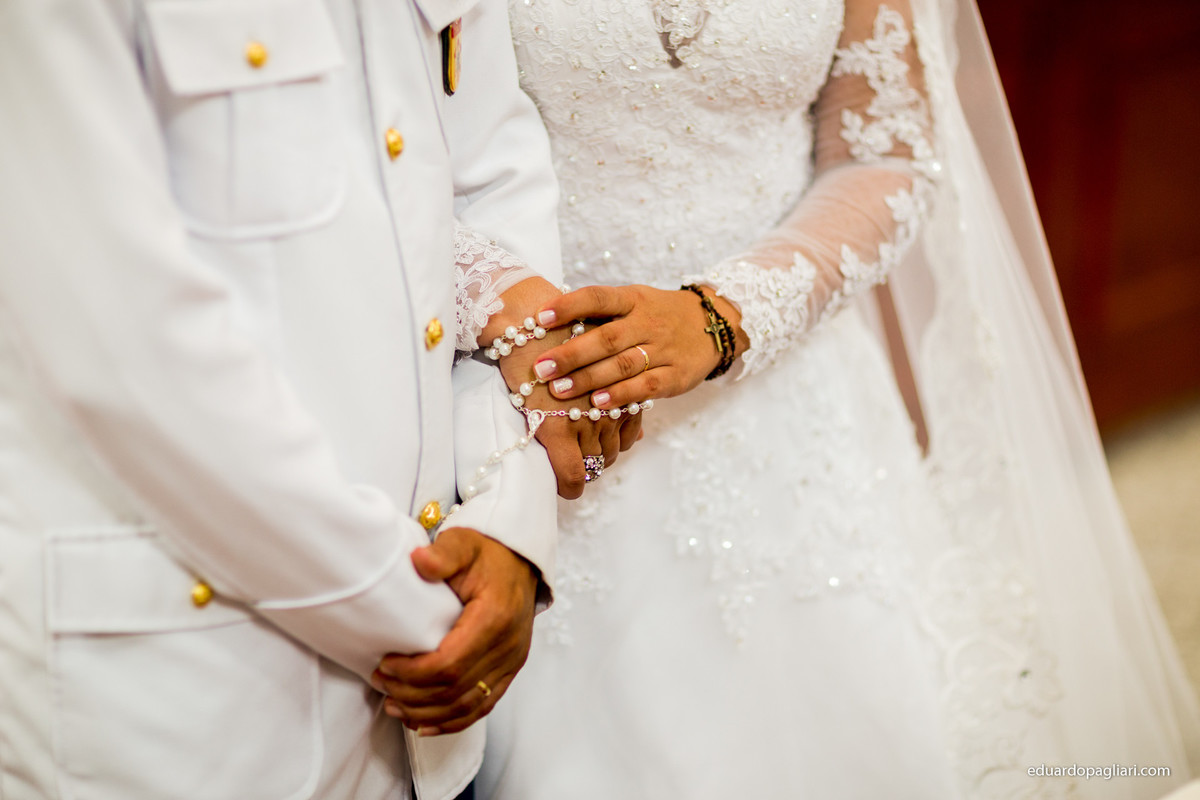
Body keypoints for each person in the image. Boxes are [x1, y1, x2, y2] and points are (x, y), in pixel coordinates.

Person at [477, 0, 1200, 797]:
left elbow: (885, 154)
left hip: (799, 413)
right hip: (552, 409)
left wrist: (724, 317)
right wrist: (514, 320)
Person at [0, 0, 614, 797]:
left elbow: (491, 194)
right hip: (188, 693)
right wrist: (419, 608)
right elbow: (116, 343)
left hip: (437, 710)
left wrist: (508, 521)